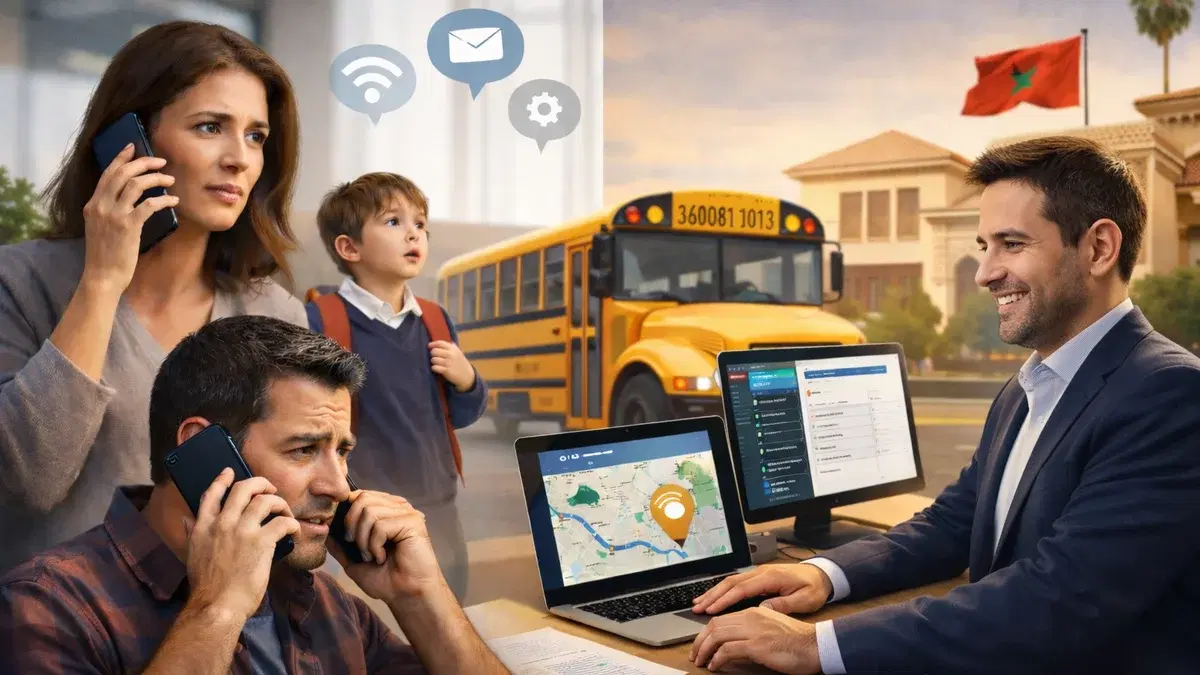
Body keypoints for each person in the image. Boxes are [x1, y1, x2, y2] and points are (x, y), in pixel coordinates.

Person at [687, 136, 1200, 674]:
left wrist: (815, 646)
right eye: (983, 246)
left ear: (1098, 249)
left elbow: (1060, 600)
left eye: (1012, 244)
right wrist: (823, 574)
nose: (984, 272)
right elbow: (953, 523)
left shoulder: (1169, 396)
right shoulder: (1030, 387)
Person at [0, 316, 509, 674]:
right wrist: (216, 611)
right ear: (204, 450)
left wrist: (419, 596)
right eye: (305, 450)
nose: (338, 486)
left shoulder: (326, 601)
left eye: (343, 452)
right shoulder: (47, 608)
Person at [0, 20, 310, 573]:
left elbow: (295, 488)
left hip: (218, 629)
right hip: (58, 636)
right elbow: (30, 482)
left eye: (257, 136)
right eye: (211, 126)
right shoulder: (19, 282)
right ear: (127, 141)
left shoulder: (274, 312)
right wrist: (101, 281)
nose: (240, 158)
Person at [305, 172, 487, 601]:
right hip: (364, 513)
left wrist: (468, 381)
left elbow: (454, 416)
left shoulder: (436, 320)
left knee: (448, 612)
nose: (413, 234)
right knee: (372, 630)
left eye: (420, 224)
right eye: (393, 222)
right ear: (349, 247)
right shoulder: (322, 321)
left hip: (439, 506)